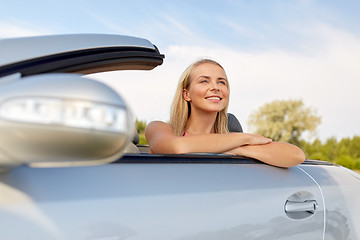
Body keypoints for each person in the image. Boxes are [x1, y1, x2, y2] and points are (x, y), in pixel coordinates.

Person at [145, 59, 305, 167]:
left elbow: (296, 155)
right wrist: (243, 138)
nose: (216, 87)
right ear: (187, 94)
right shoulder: (159, 129)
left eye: (221, 82)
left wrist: (238, 149)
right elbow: (177, 147)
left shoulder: (232, 143)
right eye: (204, 81)